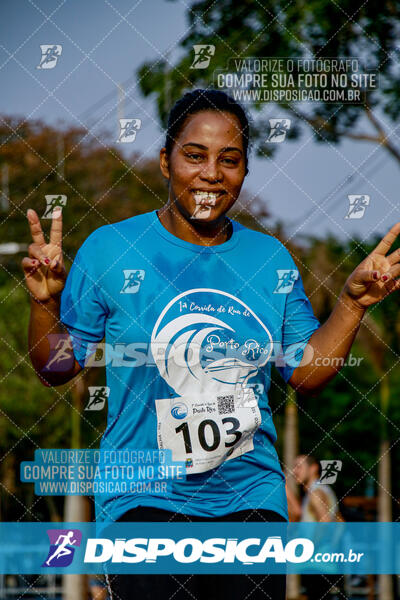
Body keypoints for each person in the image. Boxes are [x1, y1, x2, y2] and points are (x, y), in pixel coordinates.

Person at [22, 88, 400, 600]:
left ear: (244, 171)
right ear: (165, 161)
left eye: (230, 159)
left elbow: (305, 372)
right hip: (142, 497)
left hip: (251, 497)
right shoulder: (110, 250)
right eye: (194, 155)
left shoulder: (270, 260)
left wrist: (353, 305)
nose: (211, 173)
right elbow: (57, 367)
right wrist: (45, 304)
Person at [292, 455, 345, 600]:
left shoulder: (315, 493)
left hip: (315, 565)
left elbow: (326, 521)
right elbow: (340, 523)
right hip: (326, 563)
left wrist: (310, 548)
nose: (294, 471)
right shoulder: (326, 490)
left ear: (313, 468)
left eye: (299, 466)